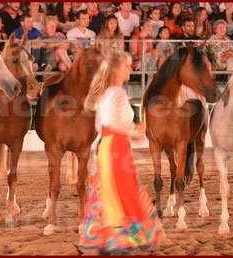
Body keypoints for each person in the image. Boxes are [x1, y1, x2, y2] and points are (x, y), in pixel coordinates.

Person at [80, 49, 165, 255]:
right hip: (115, 146)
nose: (130, 69)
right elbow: (113, 123)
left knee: (115, 189)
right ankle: (122, 239)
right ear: (117, 69)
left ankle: (114, 237)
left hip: (109, 145)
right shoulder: (116, 93)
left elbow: (102, 124)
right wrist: (136, 129)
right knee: (121, 190)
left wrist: (132, 131)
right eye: (126, 65)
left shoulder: (107, 92)